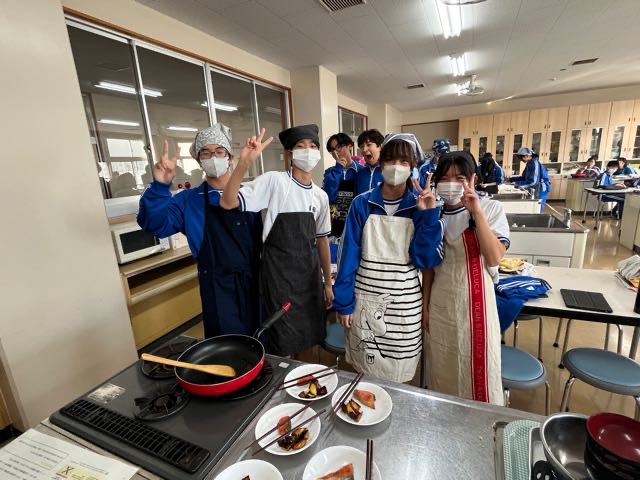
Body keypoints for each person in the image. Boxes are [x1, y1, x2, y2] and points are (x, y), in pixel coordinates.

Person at [333, 133, 444, 383]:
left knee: (399, 375)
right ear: (382, 164)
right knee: (364, 372)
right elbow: (347, 255)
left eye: (404, 162)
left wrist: (428, 215)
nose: (396, 166)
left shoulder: (420, 206)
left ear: (413, 167)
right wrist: (344, 302)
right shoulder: (362, 204)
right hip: (365, 301)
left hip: (405, 306)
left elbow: (425, 260)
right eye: (391, 160)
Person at [137, 124, 262, 338]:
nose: (213, 157)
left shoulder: (252, 193)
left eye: (219, 151)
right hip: (217, 288)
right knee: (227, 347)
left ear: (230, 157)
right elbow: (155, 225)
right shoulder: (188, 200)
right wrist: (159, 187)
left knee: (263, 341)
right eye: (206, 152)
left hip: (257, 281)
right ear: (199, 160)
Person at [220, 125, 333, 357]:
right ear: (290, 154)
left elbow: (322, 241)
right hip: (279, 278)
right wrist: (243, 164)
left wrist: (328, 284)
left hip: (310, 279)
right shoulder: (274, 182)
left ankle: (306, 376)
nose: (308, 151)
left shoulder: (320, 196)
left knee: (310, 335)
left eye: (313, 146)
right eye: (301, 146)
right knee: (282, 339)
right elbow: (228, 202)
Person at [422, 151, 509, 405]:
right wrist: (425, 306)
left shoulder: (490, 209)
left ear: (473, 179)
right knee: (443, 370)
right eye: (445, 178)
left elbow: (494, 257)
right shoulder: (435, 213)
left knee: (479, 375)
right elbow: (429, 267)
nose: (451, 183)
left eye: (459, 177)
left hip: (477, 308)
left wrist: (477, 213)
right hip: (441, 305)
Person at [323, 133, 362, 238]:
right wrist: (338, 169)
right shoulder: (330, 172)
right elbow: (329, 197)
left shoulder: (361, 171)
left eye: (339, 147)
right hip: (335, 224)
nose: (335, 152)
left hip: (356, 224)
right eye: (332, 150)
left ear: (350, 146)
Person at [509, 147, 551, 212]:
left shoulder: (534, 164)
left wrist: (517, 184)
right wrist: (511, 179)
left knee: (537, 208)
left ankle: (538, 218)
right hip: (535, 188)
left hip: (540, 189)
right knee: (532, 207)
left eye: (522, 157)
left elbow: (533, 182)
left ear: (527, 156)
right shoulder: (529, 164)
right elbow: (524, 177)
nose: (521, 160)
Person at [355, 129, 385, 195]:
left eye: (369, 145)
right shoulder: (359, 174)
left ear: (380, 146)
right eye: (362, 146)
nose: (364, 149)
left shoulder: (390, 172)